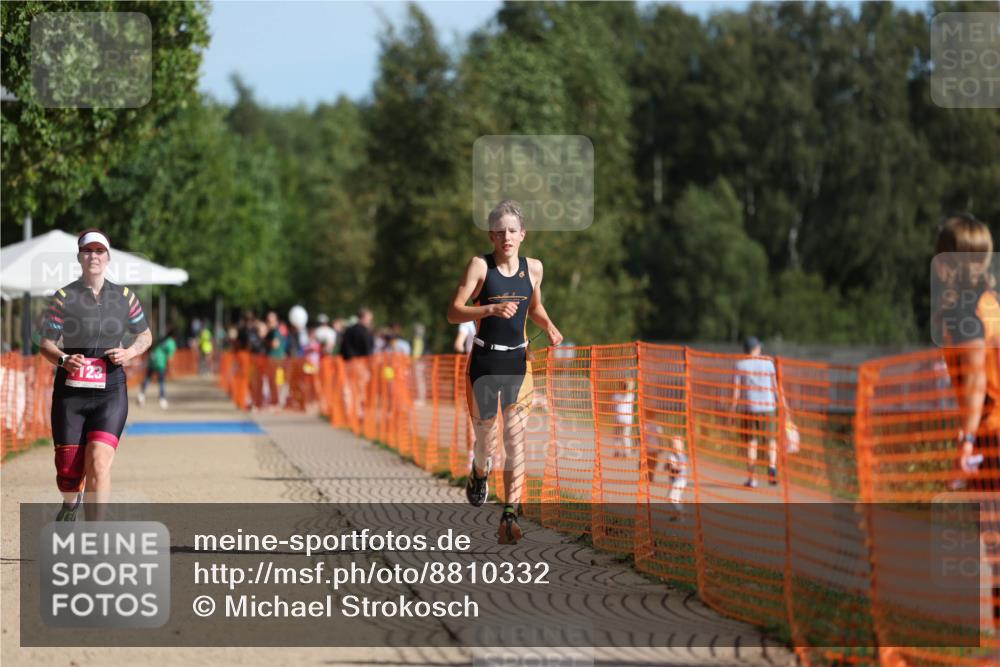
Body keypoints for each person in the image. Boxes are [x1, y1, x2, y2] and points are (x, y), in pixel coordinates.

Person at [447, 199, 563, 544]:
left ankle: (510, 514)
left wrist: (552, 327)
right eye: (499, 231)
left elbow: (535, 308)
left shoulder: (535, 269)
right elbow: (453, 312)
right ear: (491, 235)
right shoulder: (480, 267)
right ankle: (479, 471)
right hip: (484, 362)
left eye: (512, 230)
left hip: (518, 363)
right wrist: (490, 310)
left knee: (515, 438)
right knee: (486, 439)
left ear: (522, 234)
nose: (506, 237)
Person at [39, 229, 152, 522]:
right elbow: (46, 344)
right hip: (71, 394)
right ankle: (70, 500)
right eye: (88, 251)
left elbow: (145, 336)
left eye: (99, 251)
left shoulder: (125, 297)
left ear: (108, 257)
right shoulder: (63, 297)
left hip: (110, 392)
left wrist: (129, 352)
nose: (94, 256)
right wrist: (64, 359)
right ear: (79, 257)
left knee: (99, 464)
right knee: (67, 472)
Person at [933, 213, 1000, 628]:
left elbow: (975, 381)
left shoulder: (965, 308)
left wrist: (965, 443)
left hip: (992, 437)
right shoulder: (991, 303)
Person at [731, 336, 788, 489]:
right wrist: (782, 405)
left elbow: (736, 391)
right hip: (768, 406)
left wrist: (732, 410)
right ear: (756, 348)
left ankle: (752, 478)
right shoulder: (768, 363)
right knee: (771, 440)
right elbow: (776, 387)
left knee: (751, 443)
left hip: (749, 408)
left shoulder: (740, 365)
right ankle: (772, 466)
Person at [138, 329, 176, 409]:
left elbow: (152, 348)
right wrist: (170, 369)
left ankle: (141, 395)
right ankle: (162, 399)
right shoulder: (171, 343)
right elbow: (170, 358)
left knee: (148, 378)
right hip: (161, 362)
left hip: (152, 360)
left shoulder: (161, 340)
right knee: (161, 381)